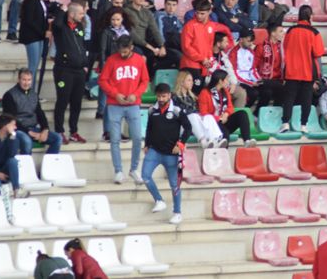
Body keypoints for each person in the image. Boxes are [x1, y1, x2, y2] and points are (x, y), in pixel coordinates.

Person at [98, 35, 147, 185]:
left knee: (138, 138)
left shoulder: (139, 60)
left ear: (131, 47)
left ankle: (134, 169)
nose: (123, 54)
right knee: (114, 140)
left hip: (133, 104)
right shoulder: (112, 60)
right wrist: (115, 94)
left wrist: (136, 94)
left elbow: (145, 80)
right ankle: (118, 171)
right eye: (121, 51)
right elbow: (102, 80)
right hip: (114, 104)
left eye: (125, 51)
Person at [142, 82, 190, 224]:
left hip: (171, 154)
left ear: (169, 95)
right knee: (145, 176)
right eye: (159, 96)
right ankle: (159, 200)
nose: (161, 99)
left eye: (164, 96)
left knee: (174, 184)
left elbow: (188, 128)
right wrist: (147, 144)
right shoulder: (152, 110)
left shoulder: (177, 110)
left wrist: (180, 143)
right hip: (155, 151)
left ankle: (177, 212)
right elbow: (149, 129)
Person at [282, 5, 325, 133]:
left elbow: (285, 47)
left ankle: (285, 123)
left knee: (289, 98)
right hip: (307, 71)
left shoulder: (290, 30)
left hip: (291, 70)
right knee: (306, 98)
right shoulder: (314, 32)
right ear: (310, 16)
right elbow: (318, 52)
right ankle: (303, 125)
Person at [2, 68, 62, 155]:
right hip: (17, 130)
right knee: (27, 142)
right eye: (24, 80)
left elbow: (40, 113)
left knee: (58, 138)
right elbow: (11, 119)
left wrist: (45, 129)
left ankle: (48, 166)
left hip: (33, 128)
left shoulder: (34, 94)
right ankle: (27, 167)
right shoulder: (9, 95)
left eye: (29, 80)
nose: (27, 83)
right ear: (19, 79)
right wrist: (30, 133)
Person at [52, 2, 88, 143]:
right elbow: (57, 24)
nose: (82, 15)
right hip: (64, 70)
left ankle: (74, 131)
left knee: (76, 103)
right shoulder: (60, 27)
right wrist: (63, 11)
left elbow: (82, 45)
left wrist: (85, 64)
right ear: (71, 14)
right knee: (62, 100)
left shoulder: (79, 26)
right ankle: (59, 131)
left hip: (79, 71)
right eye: (80, 13)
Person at [197, 69, 255, 146]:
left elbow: (230, 107)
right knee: (225, 134)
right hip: (213, 123)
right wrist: (219, 118)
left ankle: (247, 141)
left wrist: (226, 114)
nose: (228, 81)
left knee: (242, 114)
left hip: (224, 120)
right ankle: (223, 155)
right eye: (227, 79)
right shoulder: (205, 93)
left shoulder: (224, 91)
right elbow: (204, 114)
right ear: (220, 81)